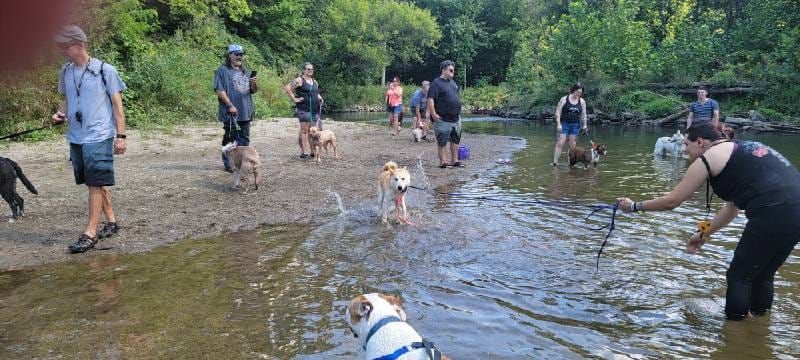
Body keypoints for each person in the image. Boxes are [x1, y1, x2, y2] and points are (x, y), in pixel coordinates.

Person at [617, 122, 800, 320]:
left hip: (774, 212)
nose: (684, 150)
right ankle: (758, 327)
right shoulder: (739, 149)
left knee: (738, 277)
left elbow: (672, 201)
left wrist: (634, 206)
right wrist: (704, 233)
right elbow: (732, 208)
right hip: (794, 213)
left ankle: (735, 331)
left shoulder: (708, 158)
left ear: (701, 142)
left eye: (687, 145)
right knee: (762, 274)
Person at [50, 25, 128, 253]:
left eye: (65, 46)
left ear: (79, 44)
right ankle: (111, 221)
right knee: (93, 180)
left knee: (94, 182)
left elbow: (117, 106)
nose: (62, 51)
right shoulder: (65, 71)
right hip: (76, 135)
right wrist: (60, 113)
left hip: (100, 134)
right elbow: (67, 99)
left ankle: (90, 233)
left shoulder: (105, 70)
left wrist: (120, 136)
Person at [215, 44, 258, 172]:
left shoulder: (246, 71)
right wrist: (230, 105)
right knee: (230, 139)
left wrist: (254, 84)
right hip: (230, 111)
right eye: (237, 54)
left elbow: (253, 91)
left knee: (244, 139)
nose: (240, 56)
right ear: (230, 55)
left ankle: (242, 163)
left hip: (245, 110)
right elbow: (219, 90)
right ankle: (229, 164)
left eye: (241, 54)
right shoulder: (222, 70)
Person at [427, 60, 463, 168]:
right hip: (442, 119)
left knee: (455, 140)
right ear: (443, 70)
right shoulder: (436, 83)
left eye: (453, 70)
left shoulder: (453, 83)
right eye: (451, 70)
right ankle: (443, 162)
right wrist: (433, 114)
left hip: (456, 118)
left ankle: (454, 160)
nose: (453, 72)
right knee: (442, 141)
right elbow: (430, 99)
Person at [284, 62, 323, 158]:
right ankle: (303, 152)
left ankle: (313, 151)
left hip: (315, 109)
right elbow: (287, 88)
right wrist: (294, 99)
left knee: (313, 131)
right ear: (304, 70)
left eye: (312, 69)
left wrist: (320, 98)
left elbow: (315, 93)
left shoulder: (315, 81)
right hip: (304, 109)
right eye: (308, 69)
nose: (310, 71)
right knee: (305, 130)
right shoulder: (299, 80)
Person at [552, 83, 588, 166]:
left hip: (575, 125)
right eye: (578, 92)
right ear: (574, 90)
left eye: (580, 93)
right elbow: (557, 112)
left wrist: (585, 125)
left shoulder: (582, 101)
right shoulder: (564, 99)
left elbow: (584, 115)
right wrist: (558, 124)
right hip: (564, 124)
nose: (579, 94)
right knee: (560, 142)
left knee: (572, 146)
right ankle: (555, 163)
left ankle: (570, 164)